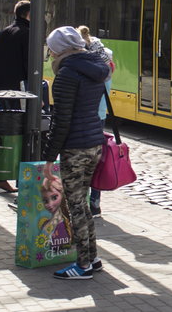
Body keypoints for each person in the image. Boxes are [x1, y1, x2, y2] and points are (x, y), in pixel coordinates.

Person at [42, 26, 110, 280]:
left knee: (76, 206)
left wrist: (49, 156)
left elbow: (61, 120)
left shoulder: (67, 74)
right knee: (82, 205)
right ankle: (92, 257)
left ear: (59, 49)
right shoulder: (95, 66)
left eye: (50, 47)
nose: (49, 52)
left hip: (75, 145)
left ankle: (83, 265)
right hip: (94, 141)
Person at [77, 25, 115, 217]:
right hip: (100, 116)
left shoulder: (85, 66)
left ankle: (81, 203)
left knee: (81, 162)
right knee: (96, 161)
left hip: (84, 117)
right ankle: (95, 203)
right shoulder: (106, 61)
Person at [0, 0, 31, 109]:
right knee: (19, 122)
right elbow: (28, 63)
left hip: (3, 89)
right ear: (28, 14)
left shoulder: (3, 33)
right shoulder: (27, 33)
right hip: (20, 89)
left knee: (6, 121)